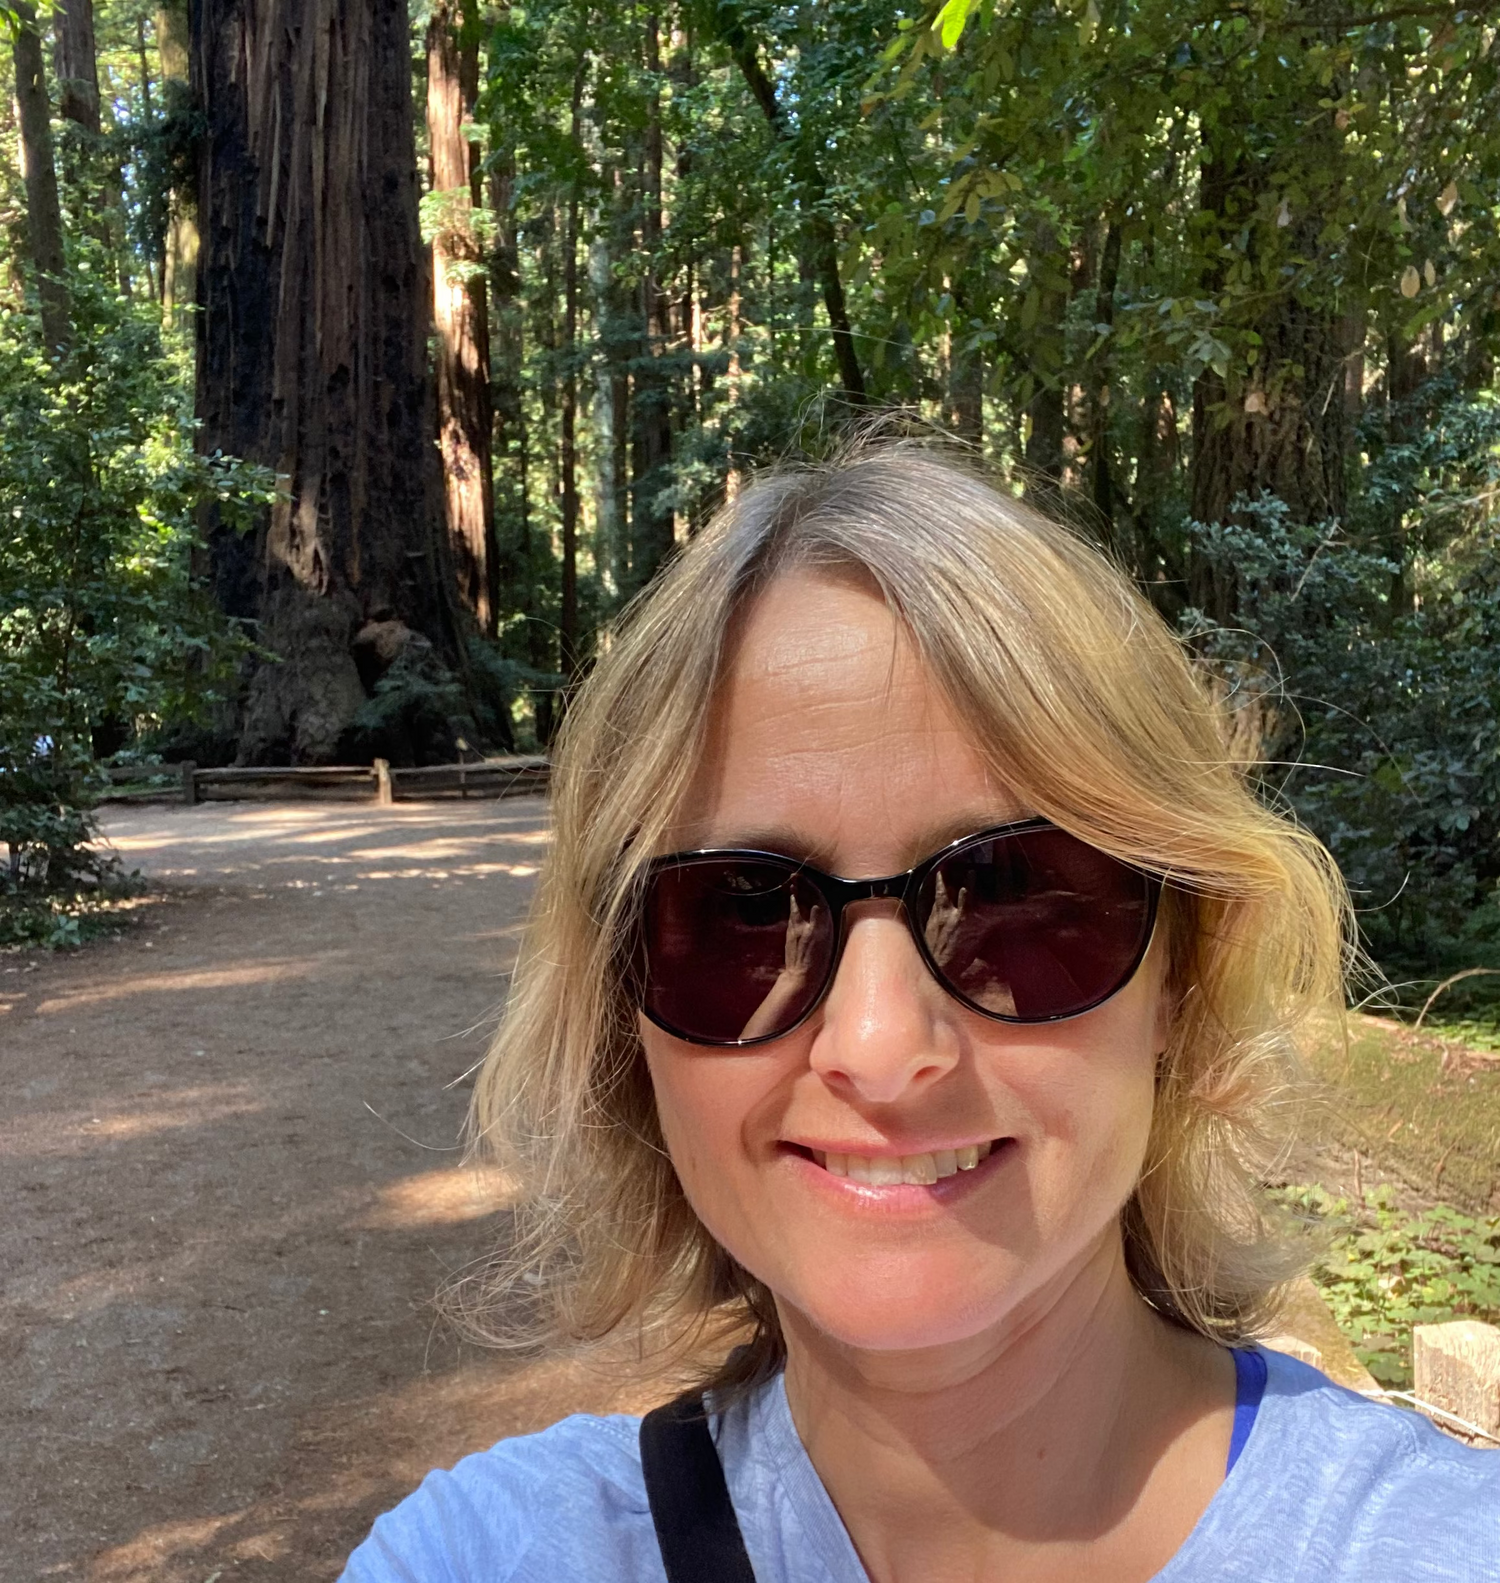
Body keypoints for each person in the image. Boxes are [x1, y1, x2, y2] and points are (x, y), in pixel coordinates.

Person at [342, 441, 1496, 1583]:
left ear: (1180, 977)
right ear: (622, 1025)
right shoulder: (489, 1554)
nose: (881, 1047)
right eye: (744, 913)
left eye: (1012, 895)